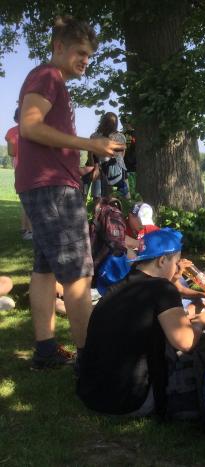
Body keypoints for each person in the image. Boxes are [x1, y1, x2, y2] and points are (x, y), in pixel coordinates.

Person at [16, 16, 125, 369]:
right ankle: (90, 363)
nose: (85, 61)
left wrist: (75, 166)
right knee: (78, 274)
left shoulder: (50, 80)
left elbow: (40, 138)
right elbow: (29, 126)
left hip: (48, 183)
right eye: (80, 52)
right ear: (58, 47)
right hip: (53, 190)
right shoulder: (47, 76)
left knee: (45, 270)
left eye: (89, 55)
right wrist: (89, 144)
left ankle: (46, 352)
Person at [77, 229, 205, 417]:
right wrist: (201, 323)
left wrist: (190, 311)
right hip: (130, 401)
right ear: (162, 261)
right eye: (176, 263)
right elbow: (185, 343)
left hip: (93, 394)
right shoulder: (162, 288)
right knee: (204, 346)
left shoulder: (120, 287)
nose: (178, 270)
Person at [86, 112, 129, 200]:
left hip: (115, 170)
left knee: (115, 197)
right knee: (101, 198)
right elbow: (90, 155)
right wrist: (95, 169)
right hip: (102, 170)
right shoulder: (95, 136)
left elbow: (121, 155)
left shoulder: (118, 136)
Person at [5, 108, 34, 240]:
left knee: (24, 199)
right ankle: (30, 231)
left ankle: (24, 229)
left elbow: (11, 152)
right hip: (33, 167)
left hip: (19, 168)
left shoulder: (11, 132)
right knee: (32, 199)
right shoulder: (33, 130)